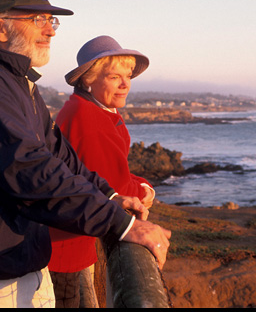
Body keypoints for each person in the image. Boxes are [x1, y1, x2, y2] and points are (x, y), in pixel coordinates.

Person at [0, 0, 171, 308]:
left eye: (52, 21)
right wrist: (120, 224)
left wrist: (112, 197)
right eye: (37, 19)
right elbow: (28, 169)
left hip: (15, 254)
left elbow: (61, 158)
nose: (50, 29)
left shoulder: (19, 84)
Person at [48, 35, 156, 308]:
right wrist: (145, 191)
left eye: (128, 75)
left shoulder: (91, 109)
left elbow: (110, 172)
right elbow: (112, 185)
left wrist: (142, 184)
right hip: (65, 245)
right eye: (113, 77)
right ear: (88, 79)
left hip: (73, 237)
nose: (125, 84)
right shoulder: (88, 118)